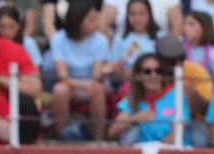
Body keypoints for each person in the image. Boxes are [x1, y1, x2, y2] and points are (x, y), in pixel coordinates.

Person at [49, 0, 111, 140]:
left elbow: (96, 76)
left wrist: (92, 84)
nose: (97, 22)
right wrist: (84, 86)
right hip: (71, 86)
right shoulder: (58, 39)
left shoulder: (100, 40)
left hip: (92, 84)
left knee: (99, 90)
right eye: (92, 19)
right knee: (59, 90)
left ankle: (98, 140)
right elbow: (62, 76)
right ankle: (63, 136)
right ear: (78, 22)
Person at [110, 50, 184, 140]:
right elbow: (112, 132)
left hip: (174, 151)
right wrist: (134, 119)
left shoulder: (176, 95)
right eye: (147, 71)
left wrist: (159, 149)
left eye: (158, 71)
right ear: (138, 76)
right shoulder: (132, 99)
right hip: (145, 151)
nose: (154, 75)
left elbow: (178, 132)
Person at [110, 0, 158, 80]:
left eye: (141, 14)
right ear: (127, 15)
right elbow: (116, 73)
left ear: (149, 14)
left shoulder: (159, 37)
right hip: (126, 85)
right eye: (132, 14)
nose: (137, 18)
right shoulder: (120, 38)